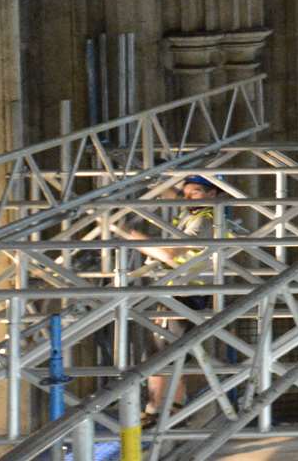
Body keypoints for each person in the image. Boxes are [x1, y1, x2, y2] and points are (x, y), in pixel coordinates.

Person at [114, 175, 238, 425]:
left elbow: (172, 253)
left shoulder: (205, 220)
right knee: (162, 353)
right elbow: (172, 196)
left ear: (213, 193)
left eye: (195, 192)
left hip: (187, 294)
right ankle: (162, 409)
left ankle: (166, 410)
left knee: (166, 354)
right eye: (186, 192)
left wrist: (131, 236)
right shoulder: (193, 212)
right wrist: (156, 179)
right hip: (176, 292)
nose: (188, 197)